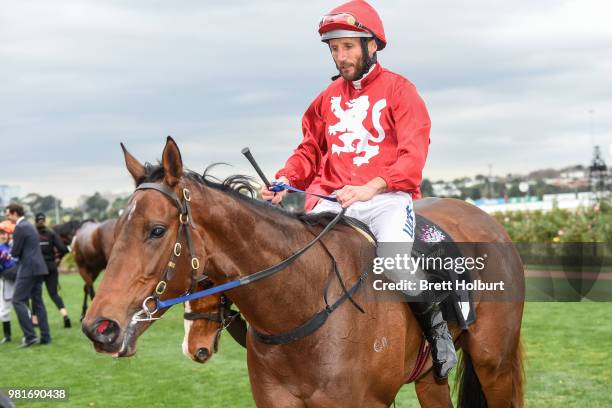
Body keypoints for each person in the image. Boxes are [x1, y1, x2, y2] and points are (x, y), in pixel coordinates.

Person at [261, 0, 456, 380]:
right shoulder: (325, 100)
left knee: (397, 266)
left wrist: (372, 186)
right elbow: (310, 152)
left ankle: (439, 334)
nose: (340, 56)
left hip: (384, 202)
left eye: (348, 46)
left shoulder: (401, 91)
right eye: (334, 48)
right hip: (332, 203)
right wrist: (285, 179)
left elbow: (413, 153)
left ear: (372, 45)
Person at [4, 203, 51, 347]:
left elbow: (16, 252)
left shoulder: (20, 227)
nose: (7, 217)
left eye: (7, 214)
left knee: (17, 300)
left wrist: (9, 252)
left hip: (28, 269)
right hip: (39, 268)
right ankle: (45, 336)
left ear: (14, 213)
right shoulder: (29, 226)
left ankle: (30, 336)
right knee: (38, 302)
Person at [35, 213, 71, 328]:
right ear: (45, 221)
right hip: (51, 266)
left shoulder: (32, 233)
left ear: (35, 221)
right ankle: (65, 315)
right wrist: (57, 257)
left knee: (36, 294)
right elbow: (63, 249)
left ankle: (35, 321)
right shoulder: (51, 233)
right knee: (54, 294)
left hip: (37, 268)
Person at [0, 221, 17, 344]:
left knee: (22, 306)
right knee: (4, 309)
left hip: (20, 279)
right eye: (1, 233)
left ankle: (29, 334)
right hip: (6, 280)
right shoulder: (1, 248)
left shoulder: (16, 246)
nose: (3, 235)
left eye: (5, 233)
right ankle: (7, 335)